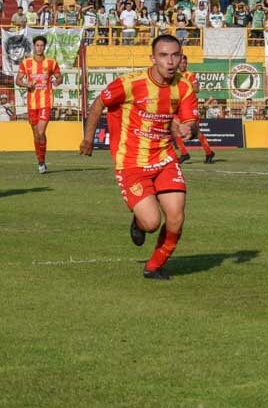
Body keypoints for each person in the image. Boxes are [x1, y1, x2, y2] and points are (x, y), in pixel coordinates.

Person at [79, 35, 199, 280]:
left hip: (165, 159)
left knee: (176, 217)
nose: (170, 61)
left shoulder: (184, 86)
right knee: (151, 222)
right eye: (164, 55)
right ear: (152, 58)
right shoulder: (130, 83)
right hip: (132, 163)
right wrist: (88, 138)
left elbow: (191, 122)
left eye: (175, 55)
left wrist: (190, 129)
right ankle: (139, 221)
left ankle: (154, 266)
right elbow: (99, 103)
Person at [15, 36, 62, 174]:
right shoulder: (26, 63)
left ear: (44, 47)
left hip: (45, 103)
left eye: (42, 45)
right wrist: (26, 84)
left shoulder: (51, 63)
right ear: (34, 46)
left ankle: (42, 162)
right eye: (37, 45)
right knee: (36, 135)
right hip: (31, 104)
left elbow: (59, 76)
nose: (39, 48)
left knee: (41, 132)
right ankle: (41, 161)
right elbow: (18, 80)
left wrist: (57, 81)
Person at [175, 55, 216, 163]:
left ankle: (188, 153)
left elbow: (197, 89)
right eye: (181, 63)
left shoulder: (190, 75)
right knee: (177, 129)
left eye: (185, 63)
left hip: (190, 106)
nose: (183, 65)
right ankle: (207, 152)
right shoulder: (175, 77)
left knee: (193, 131)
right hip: (179, 106)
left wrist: (186, 83)